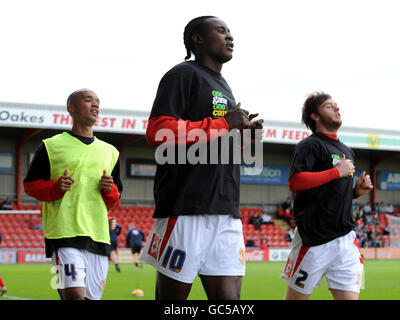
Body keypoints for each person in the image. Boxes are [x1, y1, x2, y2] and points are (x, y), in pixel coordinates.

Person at [141, 16, 263, 300]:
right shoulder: (182, 75)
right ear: (197, 39)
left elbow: (222, 144)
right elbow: (158, 132)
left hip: (227, 211)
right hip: (187, 207)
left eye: (230, 32)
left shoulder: (225, 87)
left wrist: (244, 137)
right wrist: (224, 124)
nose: (230, 37)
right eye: (221, 31)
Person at [23, 88, 123, 300]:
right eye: (88, 101)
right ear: (71, 109)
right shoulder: (51, 146)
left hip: (98, 237)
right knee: (74, 297)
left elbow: (114, 200)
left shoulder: (111, 152)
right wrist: (55, 188)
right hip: (64, 235)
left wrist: (109, 189)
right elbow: (30, 185)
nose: (95, 105)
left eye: (97, 102)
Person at [281, 92, 373, 300]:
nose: (337, 109)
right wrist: (335, 172)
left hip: (346, 239)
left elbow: (333, 193)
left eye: (337, 106)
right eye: (330, 106)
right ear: (315, 115)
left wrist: (355, 192)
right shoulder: (310, 145)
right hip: (314, 239)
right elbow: (295, 182)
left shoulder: (347, 151)